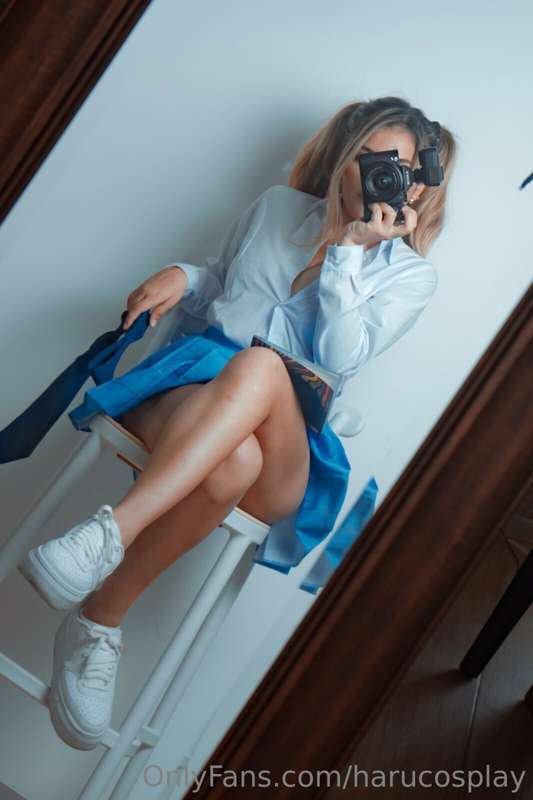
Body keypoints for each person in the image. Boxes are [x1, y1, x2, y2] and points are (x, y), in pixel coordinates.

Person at [18, 95, 457, 750]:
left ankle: (110, 533)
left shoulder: (409, 277)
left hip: (289, 442)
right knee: (233, 460)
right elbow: (224, 280)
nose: (375, 175)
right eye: (366, 158)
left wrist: (349, 252)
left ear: (415, 185)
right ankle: (98, 622)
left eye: (393, 167)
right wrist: (183, 274)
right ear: (345, 156)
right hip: (197, 395)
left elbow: (339, 357)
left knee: (262, 369)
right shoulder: (277, 208)